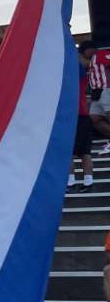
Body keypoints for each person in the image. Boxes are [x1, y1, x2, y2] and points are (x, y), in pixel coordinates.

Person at [71, 41, 97, 191]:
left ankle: (85, 181)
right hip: (75, 115)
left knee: (83, 152)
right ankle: (73, 181)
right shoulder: (78, 68)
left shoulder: (81, 68)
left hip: (80, 115)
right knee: (71, 151)